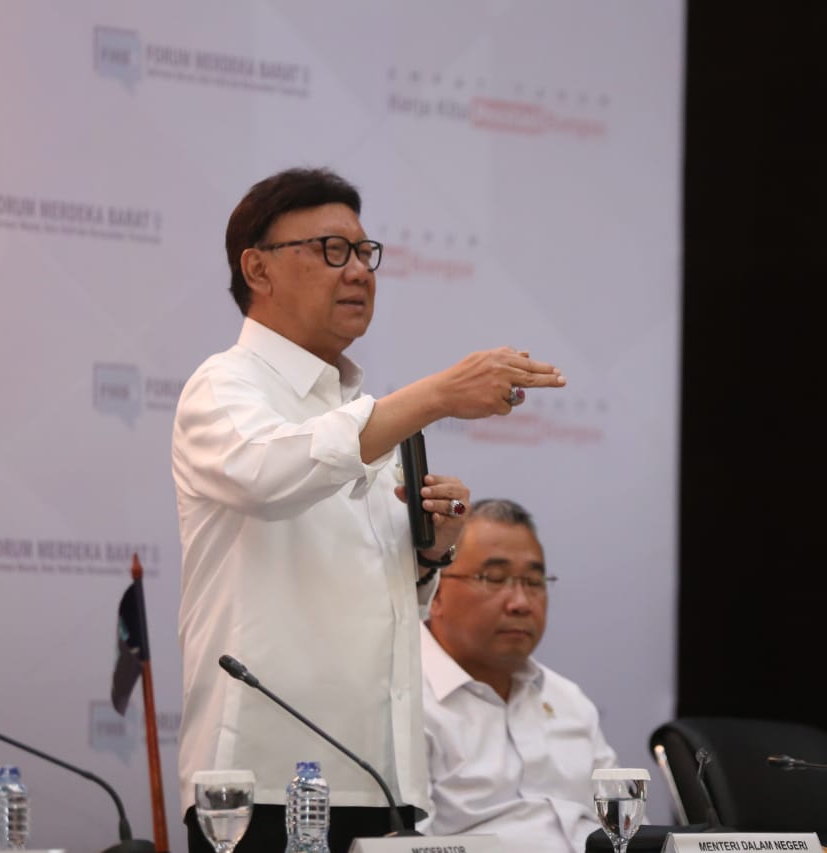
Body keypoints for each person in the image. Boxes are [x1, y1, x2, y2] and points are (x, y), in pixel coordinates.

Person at [172, 167, 566, 852]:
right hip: (260, 786)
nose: (357, 270)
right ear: (258, 268)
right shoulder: (223, 385)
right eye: (331, 250)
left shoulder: (362, 412)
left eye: (363, 251)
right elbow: (267, 475)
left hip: (381, 780)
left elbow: (388, 603)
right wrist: (436, 395)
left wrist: (431, 552)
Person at [417, 498, 619, 852]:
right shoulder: (405, 701)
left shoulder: (568, 701)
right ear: (435, 592)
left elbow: (628, 830)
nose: (521, 603)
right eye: (494, 579)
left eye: (534, 581)